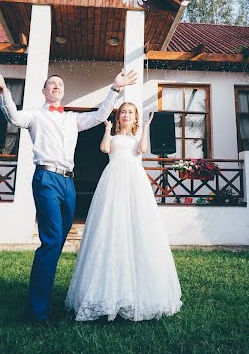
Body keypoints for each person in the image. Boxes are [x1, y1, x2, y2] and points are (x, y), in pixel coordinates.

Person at [0, 65, 137, 324]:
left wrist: (115, 87)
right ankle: (36, 313)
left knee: (57, 242)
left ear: (63, 92)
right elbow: (12, 117)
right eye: (52, 84)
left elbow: (101, 113)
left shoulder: (72, 119)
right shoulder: (34, 115)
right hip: (46, 178)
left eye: (60, 84)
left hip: (69, 183)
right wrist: (3, 89)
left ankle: (43, 294)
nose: (57, 86)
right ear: (44, 91)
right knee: (52, 240)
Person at [65, 102, 182, 322]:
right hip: (113, 180)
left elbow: (143, 150)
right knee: (111, 225)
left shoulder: (136, 137)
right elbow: (104, 149)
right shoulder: (114, 135)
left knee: (137, 225)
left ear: (135, 118)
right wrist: (108, 129)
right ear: (119, 117)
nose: (127, 115)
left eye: (130, 113)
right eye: (124, 112)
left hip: (134, 181)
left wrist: (146, 127)